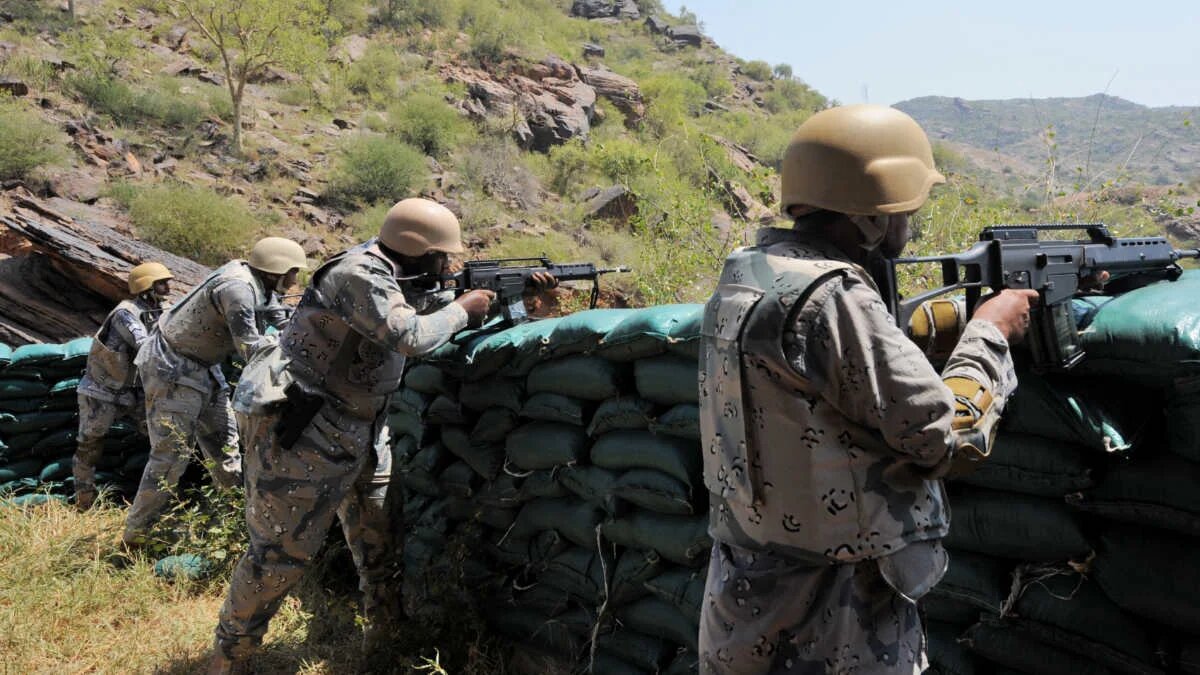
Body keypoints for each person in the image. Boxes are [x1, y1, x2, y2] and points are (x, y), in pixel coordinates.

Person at [697, 104, 1039, 674]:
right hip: (834, 608)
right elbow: (942, 434)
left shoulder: (748, 272)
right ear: (872, 216)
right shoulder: (833, 295)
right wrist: (990, 333)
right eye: (905, 210)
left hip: (747, 587)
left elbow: (830, 368)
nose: (909, 223)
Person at [208, 198, 552, 673]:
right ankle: (229, 657)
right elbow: (410, 335)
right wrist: (462, 308)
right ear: (416, 249)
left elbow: (425, 310)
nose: (448, 265)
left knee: (380, 543)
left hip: (365, 429)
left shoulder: (399, 274)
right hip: (307, 428)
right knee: (278, 557)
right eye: (441, 257)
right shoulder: (359, 273)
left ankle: (385, 644)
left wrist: (513, 297)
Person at [122, 237, 308, 547]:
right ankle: (136, 536)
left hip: (204, 366)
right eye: (292, 272)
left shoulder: (260, 284)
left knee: (225, 449)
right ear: (275, 270)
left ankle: (232, 525)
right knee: (171, 455)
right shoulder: (237, 289)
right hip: (172, 367)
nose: (294, 280)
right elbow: (251, 349)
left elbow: (280, 318)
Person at [74, 262, 174, 510]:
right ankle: (84, 502)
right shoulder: (126, 313)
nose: (168, 287)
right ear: (146, 286)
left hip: (137, 391)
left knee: (161, 441)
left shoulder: (164, 309)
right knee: (90, 444)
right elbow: (144, 344)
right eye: (161, 283)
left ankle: (159, 499)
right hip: (102, 391)